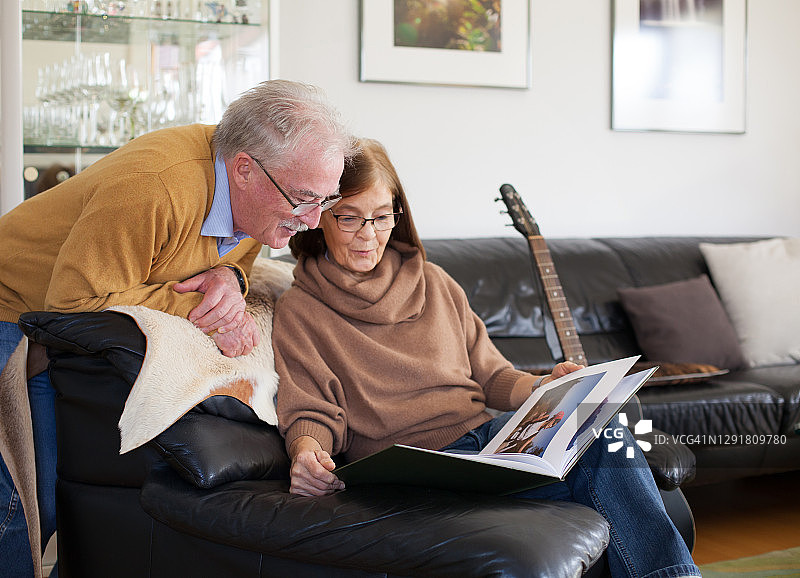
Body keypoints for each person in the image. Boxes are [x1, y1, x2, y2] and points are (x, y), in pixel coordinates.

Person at [272, 138, 701, 578]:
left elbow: (493, 374)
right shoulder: (301, 310)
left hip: (489, 447)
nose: (368, 234)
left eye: (382, 217)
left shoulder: (433, 280)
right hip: (413, 470)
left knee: (600, 430)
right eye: (349, 217)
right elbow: (311, 409)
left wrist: (546, 390)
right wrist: (308, 452)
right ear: (318, 216)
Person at [0, 79, 357, 578]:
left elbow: (227, 266)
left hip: (58, 314)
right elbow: (73, 303)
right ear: (245, 169)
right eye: (303, 200)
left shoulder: (257, 203)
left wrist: (230, 281)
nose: (314, 221)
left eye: (325, 200)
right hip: (11, 303)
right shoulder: (155, 186)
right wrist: (205, 314)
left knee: (62, 507)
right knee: (19, 505)